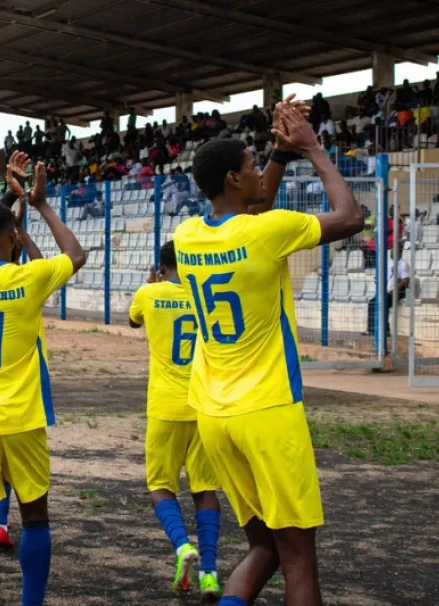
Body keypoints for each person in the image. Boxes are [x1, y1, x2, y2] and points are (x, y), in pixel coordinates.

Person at [173, 100, 364, 606]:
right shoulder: (266, 232)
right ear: (234, 180)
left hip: (214, 413)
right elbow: (351, 216)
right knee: (299, 556)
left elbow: (248, 217)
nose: (260, 172)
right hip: (269, 409)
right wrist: (313, 150)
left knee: (263, 547)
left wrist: (279, 155)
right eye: (253, 165)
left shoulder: (187, 236)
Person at [0, 151, 85, 606]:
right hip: (22, 418)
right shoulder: (31, 279)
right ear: (13, 235)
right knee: (37, 519)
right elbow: (75, 254)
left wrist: (7, 194)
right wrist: (39, 204)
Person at [129, 242, 222, 599]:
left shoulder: (149, 293)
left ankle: (182, 546)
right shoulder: (205, 295)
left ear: (162, 266)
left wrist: (152, 286)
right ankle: (210, 573)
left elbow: (133, 320)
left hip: (165, 406)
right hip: (204, 404)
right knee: (205, 489)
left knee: (160, 485)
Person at [367, 243, 410, 338]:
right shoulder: (390, 265)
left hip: (398, 291)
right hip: (387, 291)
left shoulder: (403, 264)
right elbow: (386, 279)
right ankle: (371, 329)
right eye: (391, 250)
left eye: (393, 251)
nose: (391, 252)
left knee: (383, 302)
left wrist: (393, 290)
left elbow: (405, 281)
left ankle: (385, 330)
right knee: (372, 302)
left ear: (399, 252)